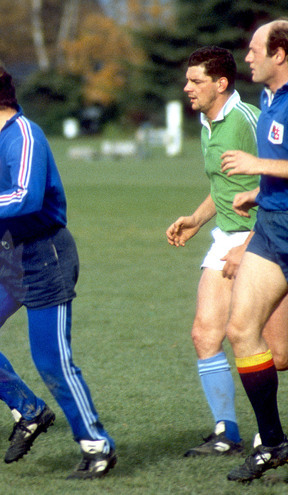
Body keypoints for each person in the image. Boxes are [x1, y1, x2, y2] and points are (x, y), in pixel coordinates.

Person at [0, 58, 115, 480]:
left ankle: (97, 447)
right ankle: (30, 410)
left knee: (52, 361)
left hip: (43, 258)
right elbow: (6, 200)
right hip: (2, 256)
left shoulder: (25, 134)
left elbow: (27, 198)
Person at [166, 46, 288, 458]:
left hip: (263, 236)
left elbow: (272, 183)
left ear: (221, 84)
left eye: (195, 81)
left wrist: (251, 246)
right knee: (205, 333)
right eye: (187, 80)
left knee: (281, 353)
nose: (187, 88)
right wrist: (197, 219)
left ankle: (269, 434)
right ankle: (226, 431)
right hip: (227, 237)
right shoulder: (208, 121)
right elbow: (223, 185)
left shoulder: (248, 121)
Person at [219, 19, 288, 482]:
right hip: (272, 229)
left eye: (254, 49)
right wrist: (259, 192)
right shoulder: (268, 100)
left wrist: (256, 165)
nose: (247, 57)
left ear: (280, 53)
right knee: (241, 330)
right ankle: (275, 443)